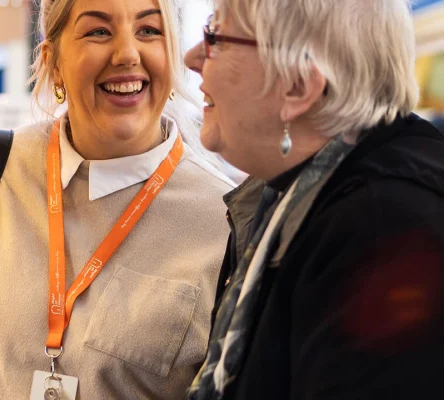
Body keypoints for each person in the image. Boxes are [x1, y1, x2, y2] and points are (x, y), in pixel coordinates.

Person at [0, 0, 236, 398]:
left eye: (149, 30)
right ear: (53, 62)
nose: (127, 54)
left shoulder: (225, 218)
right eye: (98, 31)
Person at [184, 0, 444, 399]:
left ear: (298, 86)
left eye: (216, 36)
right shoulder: (295, 198)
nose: (192, 58)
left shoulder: (382, 231)